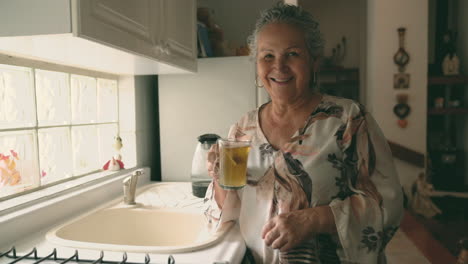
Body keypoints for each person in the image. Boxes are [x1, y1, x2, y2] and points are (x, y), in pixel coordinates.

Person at [204, 3, 404, 263]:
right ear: (256, 64)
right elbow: (224, 214)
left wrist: (315, 219)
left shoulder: (348, 120)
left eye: (292, 54)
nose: (279, 67)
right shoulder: (244, 129)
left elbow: (387, 204)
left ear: (314, 61)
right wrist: (219, 178)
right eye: (267, 56)